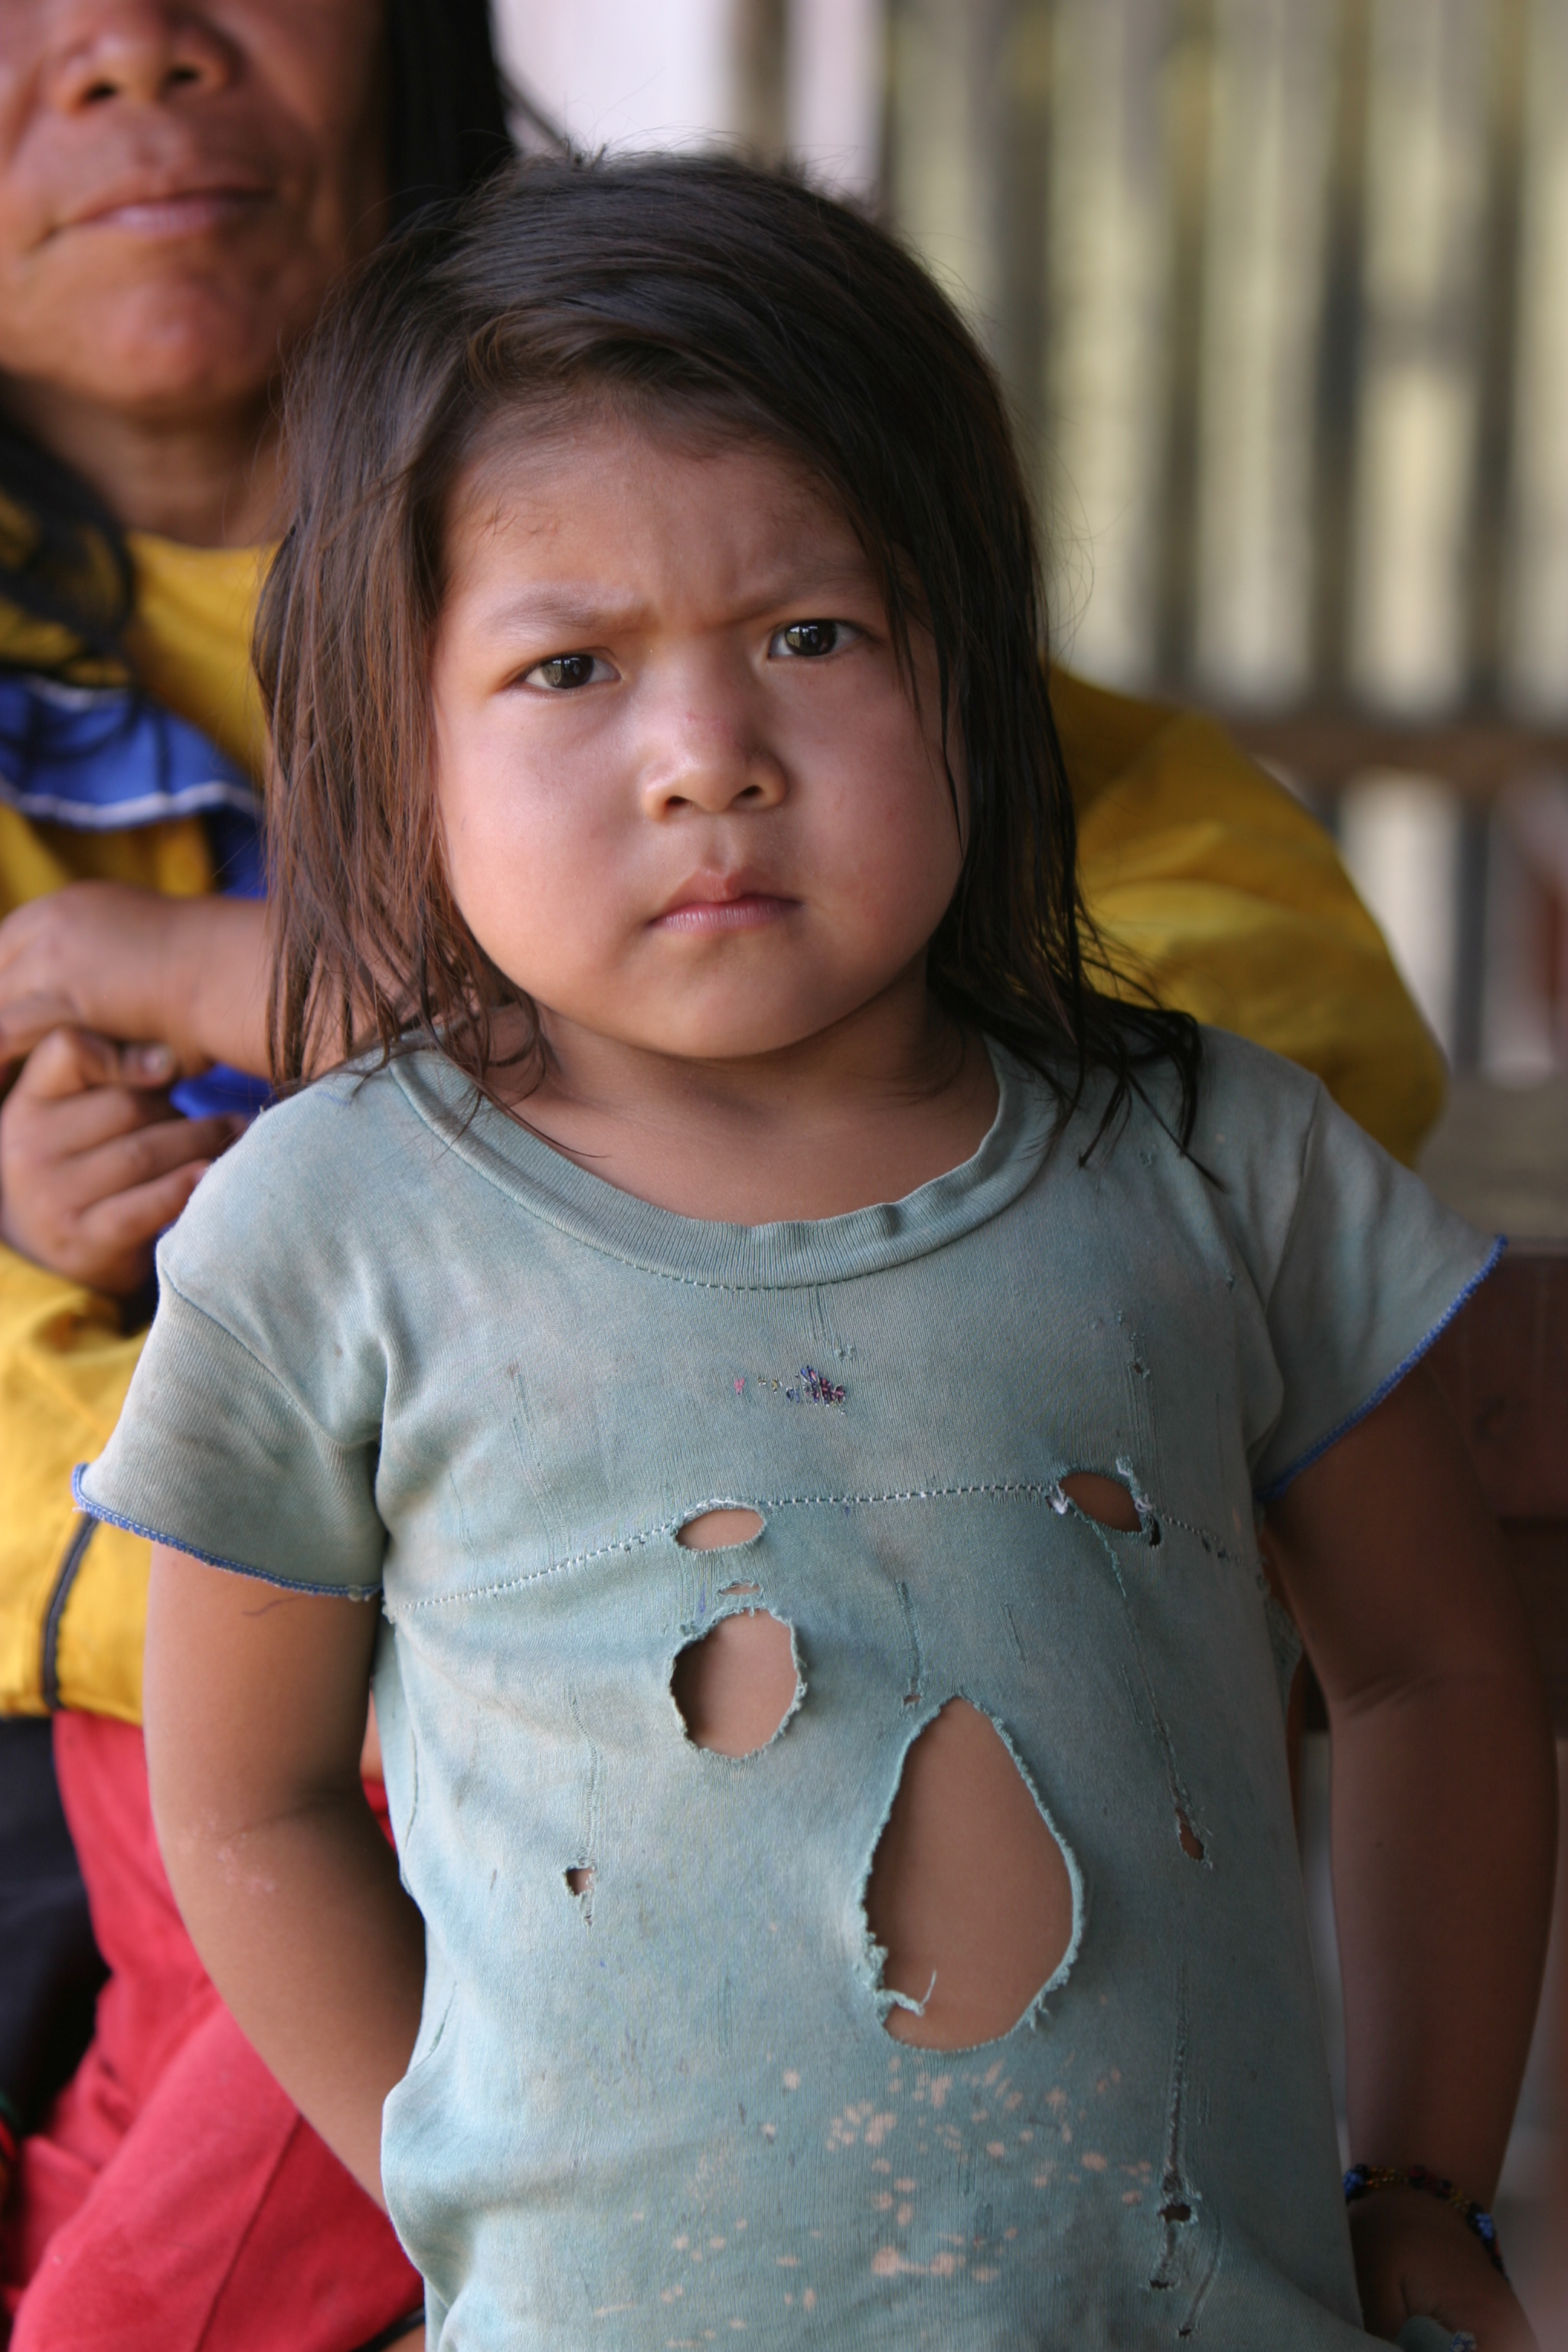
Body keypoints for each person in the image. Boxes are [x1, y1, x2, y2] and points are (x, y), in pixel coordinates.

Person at [80, 155, 1553, 2350]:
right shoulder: (331, 1231)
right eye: (569, 665)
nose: (708, 761)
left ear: (978, 667)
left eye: (812, 635)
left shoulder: (1214, 1166)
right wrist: (474, 2199)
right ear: (399, 743)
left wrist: (1422, 2180)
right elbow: (247, 1799)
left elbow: (1434, 1672)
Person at [0, 4, 514, 2344]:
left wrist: (206, 973)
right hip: (139, 1691)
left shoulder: (616, 516)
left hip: (491, 1658)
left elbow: (1114, 983)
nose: (127, 49)